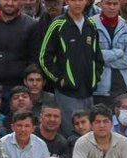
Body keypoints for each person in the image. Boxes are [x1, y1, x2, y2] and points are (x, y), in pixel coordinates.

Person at [38, 0, 104, 136]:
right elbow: (44, 57)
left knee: (88, 134)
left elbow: (98, 57)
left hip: (88, 91)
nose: (78, 3)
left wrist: (94, 79)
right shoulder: (58, 24)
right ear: (67, 1)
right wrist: (60, 78)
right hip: (66, 92)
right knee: (71, 133)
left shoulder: (90, 25)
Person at [90, 0, 127, 103]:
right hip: (99, 88)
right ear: (101, 4)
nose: (112, 7)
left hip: (124, 87)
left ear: (119, 5)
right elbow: (90, 56)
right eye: (108, 3)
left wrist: (102, 59)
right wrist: (119, 53)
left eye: (115, 4)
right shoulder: (89, 25)